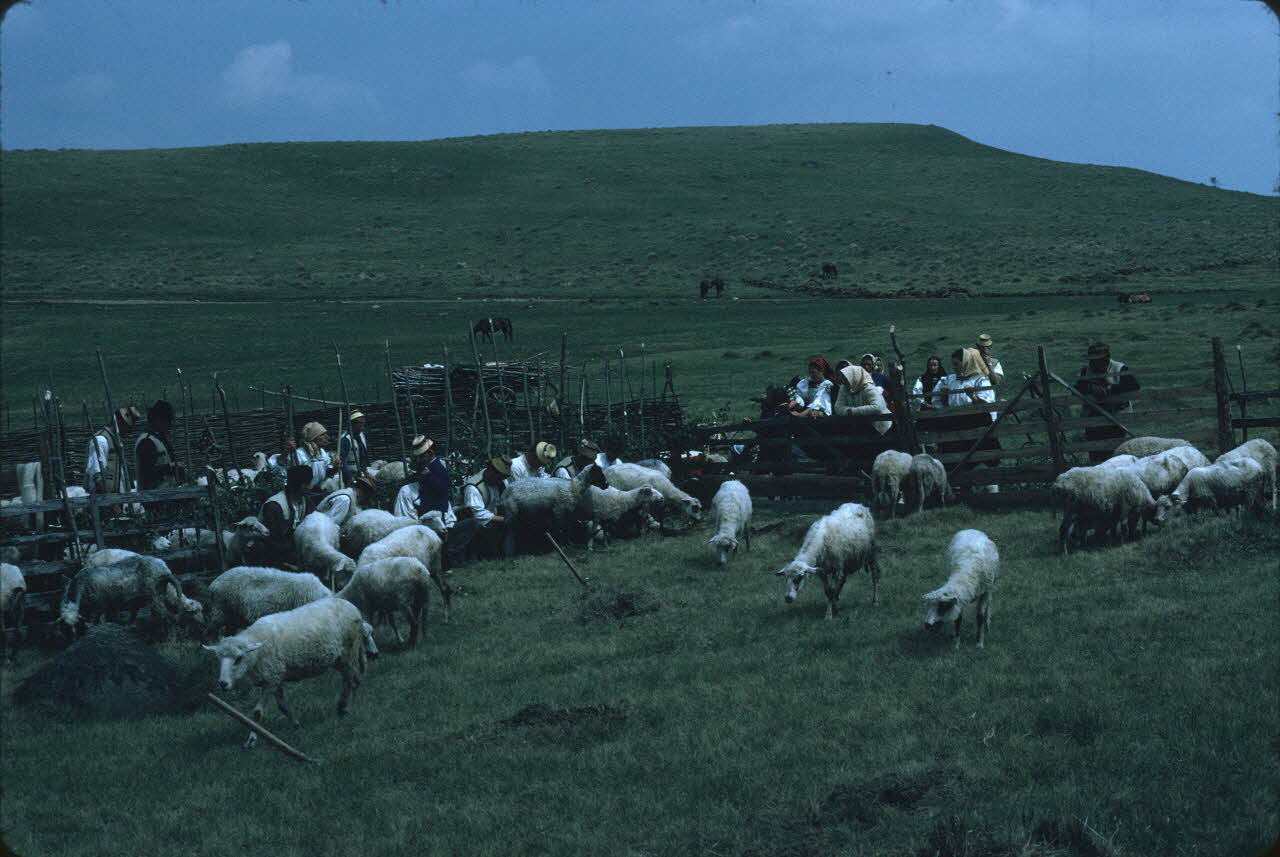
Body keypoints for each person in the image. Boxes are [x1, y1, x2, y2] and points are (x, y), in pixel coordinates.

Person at [1075, 341, 1140, 463]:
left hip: (1116, 419)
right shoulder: (1086, 371)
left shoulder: (1120, 368)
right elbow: (1077, 387)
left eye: (1097, 360)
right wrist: (1090, 388)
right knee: (1096, 455)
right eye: (1092, 360)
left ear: (1106, 358)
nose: (1094, 363)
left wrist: (1110, 389)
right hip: (1094, 420)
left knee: (1116, 455)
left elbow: (1134, 385)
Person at [449, 456, 513, 563]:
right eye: (499, 477)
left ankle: (504, 558)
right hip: (465, 521)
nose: (500, 480)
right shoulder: (473, 487)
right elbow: (478, 514)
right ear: (492, 471)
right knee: (489, 525)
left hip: (487, 518)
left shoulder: (497, 482)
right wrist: (503, 519)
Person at [259, 464, 311, 566]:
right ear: (301, 485)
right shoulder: (275, 506)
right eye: (307, 484)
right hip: (271, 555)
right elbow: (274, 540)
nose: (310, 487)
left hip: (290, 550)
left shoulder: (305, 502)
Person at [85, 405, 140, 494]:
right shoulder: (101, 441)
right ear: (119, 422)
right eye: (127, 427)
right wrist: (112, 505)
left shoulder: (116, 442)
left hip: (116, 499)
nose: (128, 432)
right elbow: (97, 475)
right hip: (104, 501)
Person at [135, 401, 182, 490]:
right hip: (154, 497)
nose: (169, 425)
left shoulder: (158, 439)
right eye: (167, 421)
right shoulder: (147, 442)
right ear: (158, 420)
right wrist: (170, 467)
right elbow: (147, 473)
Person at [294, 422, 335, 491]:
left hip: (318, 490)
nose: (327, 437)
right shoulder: (299, 454)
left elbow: (326, 473)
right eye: (322, 435)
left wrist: (334, 468)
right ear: (314, 437)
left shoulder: (322, 452)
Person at [338, 410, 371, 485]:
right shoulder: (345, 439)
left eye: (363, 425)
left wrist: (366, 472)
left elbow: (362, 455)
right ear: (353, 425)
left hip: (360, 472)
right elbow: (342, 461)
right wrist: (350, 477)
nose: (362, 428)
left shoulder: (361, 436)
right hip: (350, 474)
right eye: (360, 426)